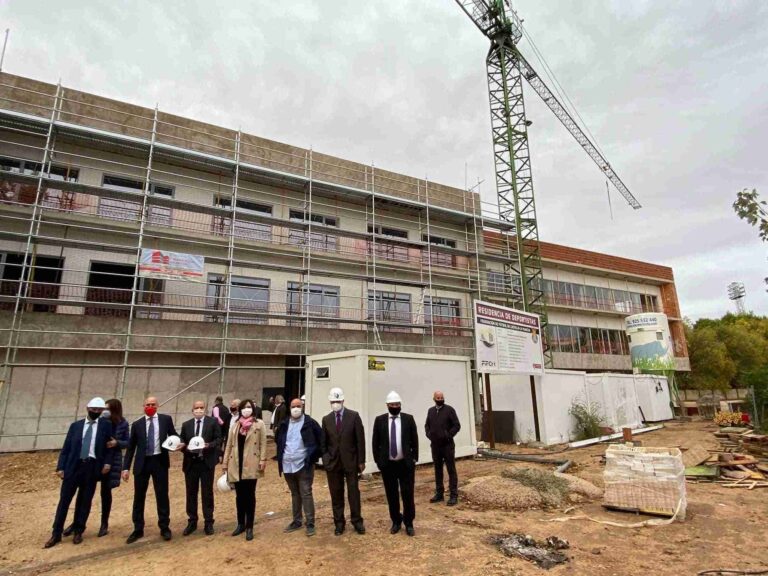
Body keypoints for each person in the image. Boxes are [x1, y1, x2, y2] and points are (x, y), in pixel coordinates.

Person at [45, 397, 113, 548]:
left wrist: (107, 463)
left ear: (102, 411)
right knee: (64, 501)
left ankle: (78, 531)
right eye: (93, 409)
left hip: (91, 467)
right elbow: (66, 448)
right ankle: (56, 533)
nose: (96, 412)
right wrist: (60, 467)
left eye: (99, 410)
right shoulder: (75, 426)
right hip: (73, 467)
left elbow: (109, 447)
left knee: (85, 501)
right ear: (87, 408)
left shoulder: (105, 426)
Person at [122, 396, 178, 544]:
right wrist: (125, 467)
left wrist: (177, 444)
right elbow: (130, 447)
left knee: (162, 495)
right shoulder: (137, 424)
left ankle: (164, 527)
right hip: (142, 463)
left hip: (159, 461)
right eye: (148, 404)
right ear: (143, 406)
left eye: (153, 404)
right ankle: (138, 528)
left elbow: (174, 435)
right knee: (139, 496)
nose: (150, 406)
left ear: (158, 405)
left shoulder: (166, 420)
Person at [372, 391, 419, 537]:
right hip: (388, 465)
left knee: (407, 494)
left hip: (405, 464)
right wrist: (379, 462)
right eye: (392, 405)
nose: (395, 406)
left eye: (397, 404)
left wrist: (414, 458)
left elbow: (414, 439)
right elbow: (375, 443)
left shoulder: (408, 419)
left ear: (400, 405)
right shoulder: (379, 420)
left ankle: (409, 523)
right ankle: (396, 521)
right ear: (387, 405)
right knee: (391, 495)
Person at [320, 387, 366, 536]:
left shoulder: (353, 416)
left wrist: (361, 460)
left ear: (343, 401)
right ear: (330, 402)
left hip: (350, 461)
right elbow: (324, 443)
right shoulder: (326, 420)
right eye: (333, 401)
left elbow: (360, 440)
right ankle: (339, 523)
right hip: (333, 463)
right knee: (336, 494)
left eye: (338, 401)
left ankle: (357, 521)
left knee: (353, 493)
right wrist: (326, 459)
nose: (336, 404)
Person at [276, 398, 323, 537]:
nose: (296, 408)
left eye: (298, 406)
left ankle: (310, 523)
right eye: (293, 406)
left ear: (302, 407)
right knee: (295, 493)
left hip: (304, 465)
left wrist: (312, 456)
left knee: (306, 492)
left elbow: (321, 441)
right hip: (287, 465)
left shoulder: (310, 423)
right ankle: (297, 520)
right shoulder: (284, 424)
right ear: (289, 408)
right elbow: (279, 441)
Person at [222, 398, 267, 541]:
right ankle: (240, 523)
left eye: (249, 407)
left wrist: (263, 459)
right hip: (236, 464)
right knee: (239, 496)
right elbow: (229, 445)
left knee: (250, 496)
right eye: (244, 407)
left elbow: (263, 443)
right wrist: (225, 464)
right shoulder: (235, 425)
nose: (246, 409)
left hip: (251, 463)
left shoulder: (258, 424)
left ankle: (249, 527)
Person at [180, 400, 222, 536]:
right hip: (191, 464)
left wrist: (208, 445)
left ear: (205, 409)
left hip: (206, 463)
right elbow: (182, 442)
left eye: (201, 407)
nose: (199, 410)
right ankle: (192, 521)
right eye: (196, 408)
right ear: (192, 410)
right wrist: (184, 448)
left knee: (207, 493)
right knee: (191, 493)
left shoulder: (212, 422)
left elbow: (219, 439)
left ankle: (208, 522)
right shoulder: (186, 425)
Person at [425, 390, 461, 506]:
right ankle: (439, 494)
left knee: (451, 470)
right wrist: (429, 434)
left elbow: (457, 425)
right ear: (434, 398)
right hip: (435, 446)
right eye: (438, 398)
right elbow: (427, 425)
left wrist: (448, 435)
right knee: (438, 470)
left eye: (441, 397)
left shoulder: (449, 410)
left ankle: (453, 495)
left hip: (447, 445)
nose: (440, 399)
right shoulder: (430, 411)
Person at [211, 395, 230, 462]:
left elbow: (216, 417)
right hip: (225, 428)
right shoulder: (226, 408)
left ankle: (217, 457)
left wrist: (221, 423)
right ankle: (223, 457)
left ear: (216, 401)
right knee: (222, 442)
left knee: (216, 442)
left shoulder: (216, 408)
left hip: (217, 427)